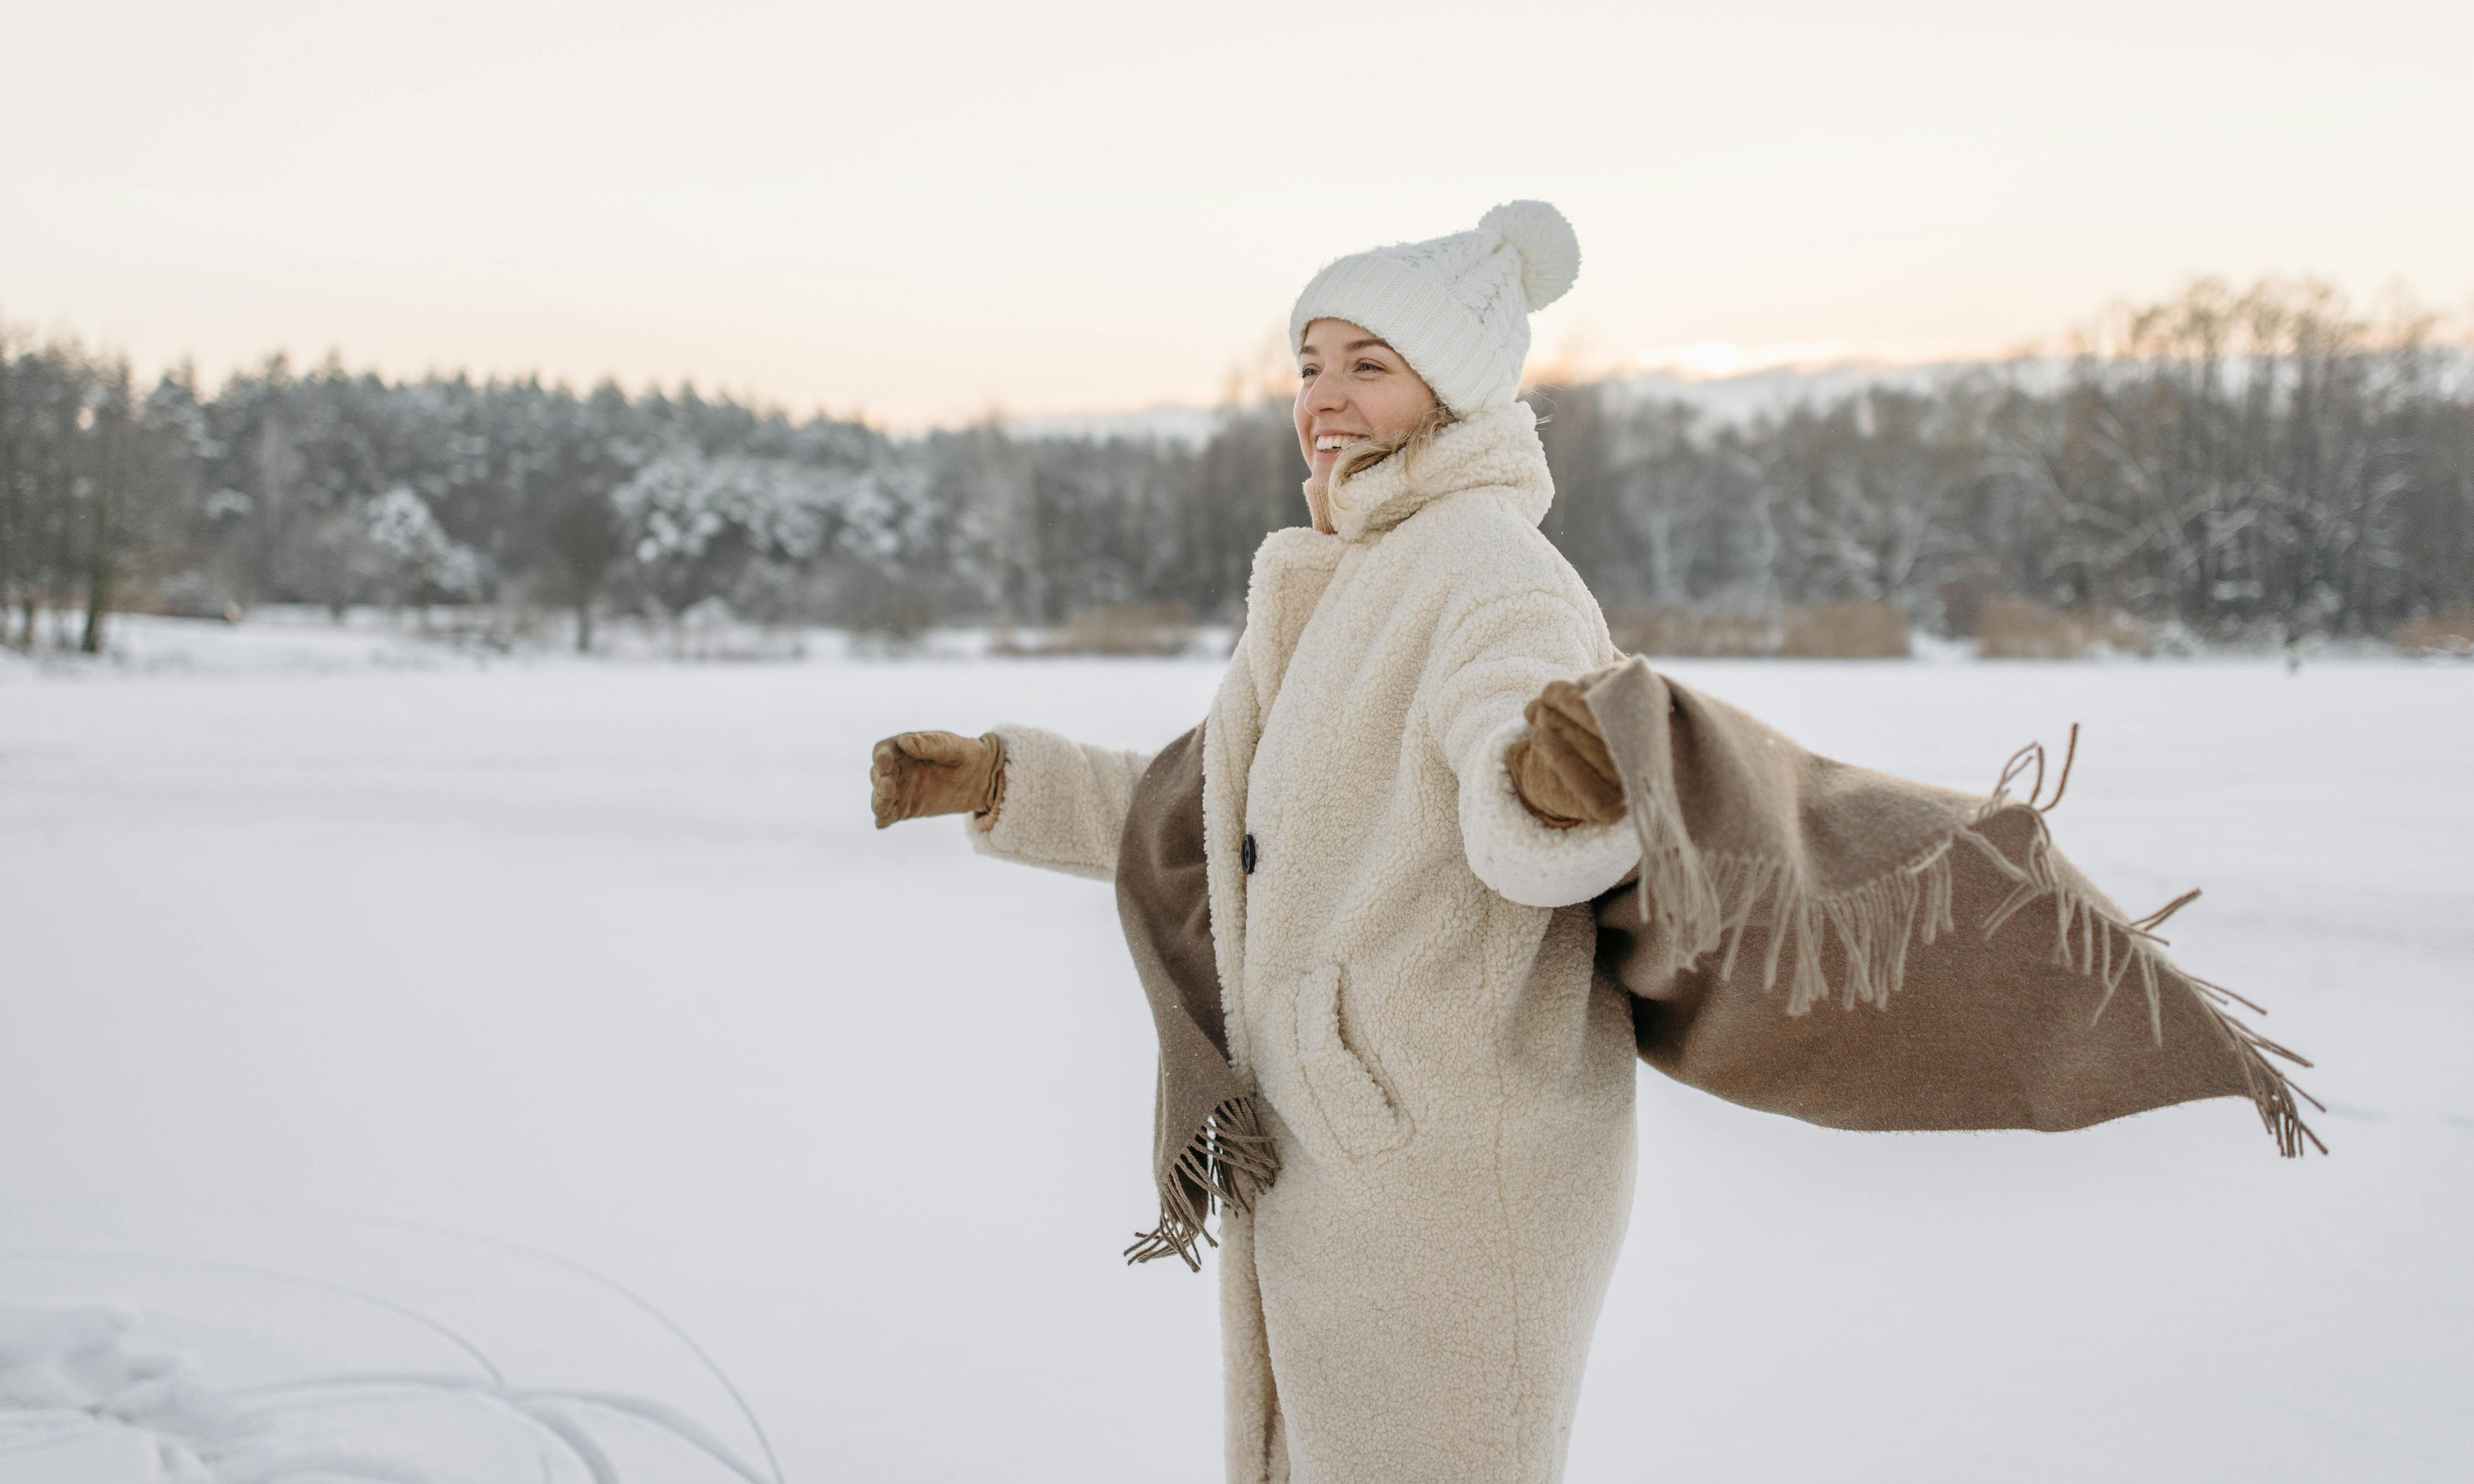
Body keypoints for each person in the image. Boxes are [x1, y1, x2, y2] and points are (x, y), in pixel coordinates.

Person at [871, 202, 1641, 1484]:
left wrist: (1550, 785)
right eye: (1309, 365)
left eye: (1368, 365)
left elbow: (1535, 779)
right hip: (1345, 1148)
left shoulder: (1487, 570)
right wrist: (1005, 781)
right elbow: (1221, 819)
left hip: (1451, 1163)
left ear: (1450, 393)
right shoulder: (1351, 577)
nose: (1324, 398)